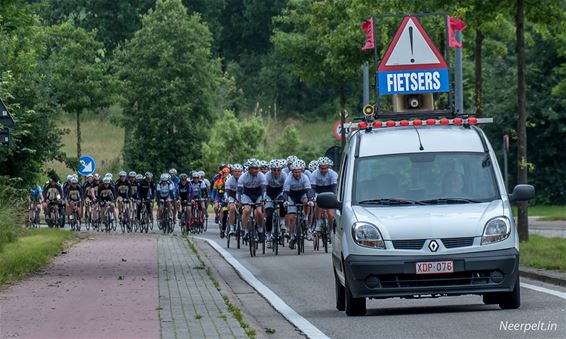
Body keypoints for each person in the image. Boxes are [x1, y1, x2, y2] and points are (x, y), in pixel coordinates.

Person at [282, 159, 314, 249]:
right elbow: (285, 192)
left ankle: (305, 217)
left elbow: (308, 190)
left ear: (302, 171)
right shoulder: (288, 178)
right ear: (292, 172)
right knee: (292, 217)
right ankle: (292, 236)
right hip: (292, 196)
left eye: (299, 172)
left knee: (306, 201)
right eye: (295, 172)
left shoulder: (305, 177)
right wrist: (285, 201)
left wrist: (310, 200)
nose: (297, 174)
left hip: (302, 194)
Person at [237, 159, 267, 242]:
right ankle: (246, 231)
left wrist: (263, 199)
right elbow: (239, 191)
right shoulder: (243, 177)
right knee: (246, 210)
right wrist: (239, 201)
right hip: (247, 194)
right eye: (254, 168)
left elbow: (264, 190)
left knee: (259, 212)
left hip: (258, 195)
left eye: (258, 168)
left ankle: (260, 230)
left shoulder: (262, 176)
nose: (257, 170)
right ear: (249, 169)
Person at [311, 157, 338, 234]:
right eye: (321, 168)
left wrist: (334, 198)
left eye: (325, 168)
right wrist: (312, 198)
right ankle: (318, 223)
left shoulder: (333, 174)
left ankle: (330, 230)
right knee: (318, 203)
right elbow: (312, 188)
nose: (323, 170)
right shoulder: (314, 174)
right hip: (318, 191)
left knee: (331, 214)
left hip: (329, 190)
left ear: (328, 167)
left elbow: (334, 187)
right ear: (318, 167)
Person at [264, 159, 286, 247]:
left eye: (278, 170)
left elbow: (286, 188)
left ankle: (282, 222)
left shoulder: (284, 175)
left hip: (279, 192)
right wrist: (264, 199)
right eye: (274, 170)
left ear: (281, 170)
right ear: (271, 170)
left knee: (282, 203)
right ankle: (268, 236)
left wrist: (285, 198)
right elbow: (264, 188)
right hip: (269, 193)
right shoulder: (267, 175)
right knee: (269, 215)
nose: (276, 172)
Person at [225, 164, 243, 235]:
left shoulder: (243, 179)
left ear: (241, 172)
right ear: (232, 172)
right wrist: (227, 199)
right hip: (232, 195)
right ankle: (232, 228)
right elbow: (226, 192)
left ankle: (243, 225)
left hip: (242, 195)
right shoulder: (229, 180)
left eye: (239, 171)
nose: (237, 173)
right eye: (235, 171)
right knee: (232, 208)